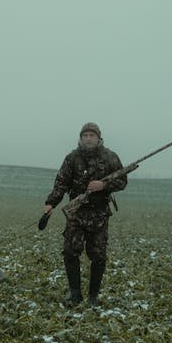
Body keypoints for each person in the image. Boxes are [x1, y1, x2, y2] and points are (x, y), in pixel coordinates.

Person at [43, 122, 126, 308]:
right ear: (80, 138)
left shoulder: (110, 157)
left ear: (99, 138)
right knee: (70, 252)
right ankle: (75, 294)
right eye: (85, 135)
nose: (88, 138)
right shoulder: (72, 158)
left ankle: (93, 296)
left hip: (99, 215)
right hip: (76, 214)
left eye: (92, 135)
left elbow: (122, 181)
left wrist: (104, 186)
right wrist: (50, 203)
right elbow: (61, 183)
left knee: (98, 256)